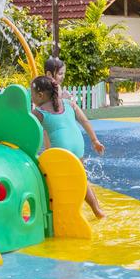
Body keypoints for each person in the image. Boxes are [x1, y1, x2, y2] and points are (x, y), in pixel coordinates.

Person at [30, 75, 106, 218]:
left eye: (32, 94)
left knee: (54, 180)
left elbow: (27, 128)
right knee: (81, 178)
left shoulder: (38, 112)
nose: (31, 97)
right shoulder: (69, 104)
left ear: (40, 95)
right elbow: (84, 121)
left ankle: (59, 212)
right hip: (77, 144)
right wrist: (94, 140)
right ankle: (98, 211)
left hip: (61, 148)